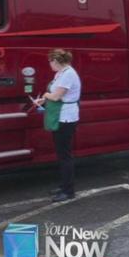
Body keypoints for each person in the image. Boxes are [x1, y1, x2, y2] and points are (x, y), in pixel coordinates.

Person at [33, 49, 81, 202]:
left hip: (65, 117)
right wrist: (43, 101)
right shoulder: (61, 73)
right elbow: (55, 95)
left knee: (65, 155)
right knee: (61, 154)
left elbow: (56, 96)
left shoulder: (68, 74)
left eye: (50, 61)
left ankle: (69, 191)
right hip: (60, 115)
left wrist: (46, 96)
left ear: (57, 61)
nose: (49, 64)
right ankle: (64, 185)